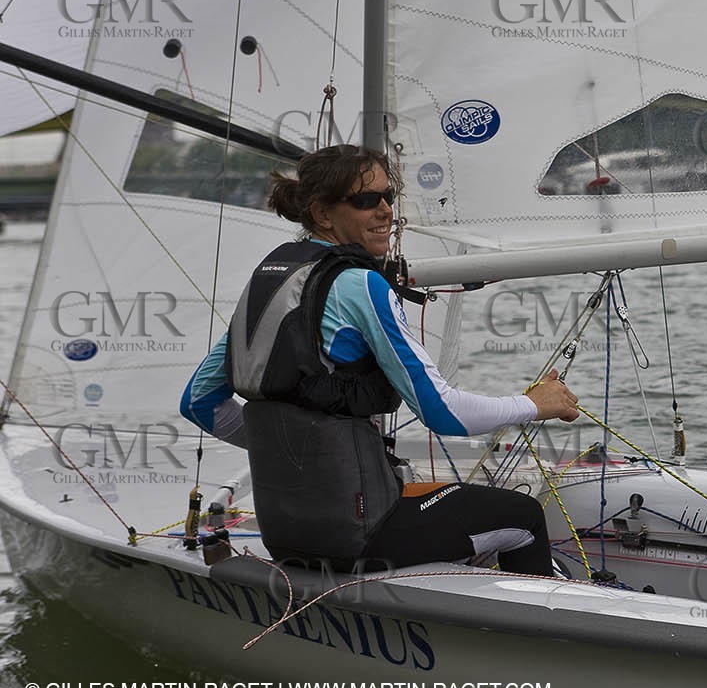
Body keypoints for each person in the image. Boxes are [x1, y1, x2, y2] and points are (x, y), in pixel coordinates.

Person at [179, 144, 581, 575]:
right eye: (367, 200)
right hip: (361, 535)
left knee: (425, 494)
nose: (386, 210)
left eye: (389, 196)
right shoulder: (361, 286)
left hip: (285, 537)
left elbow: (199, 402)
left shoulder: (270, 285)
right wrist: (535, 404)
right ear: (323, 214)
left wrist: (291, 452)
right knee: (523, 517)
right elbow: (443, 412)